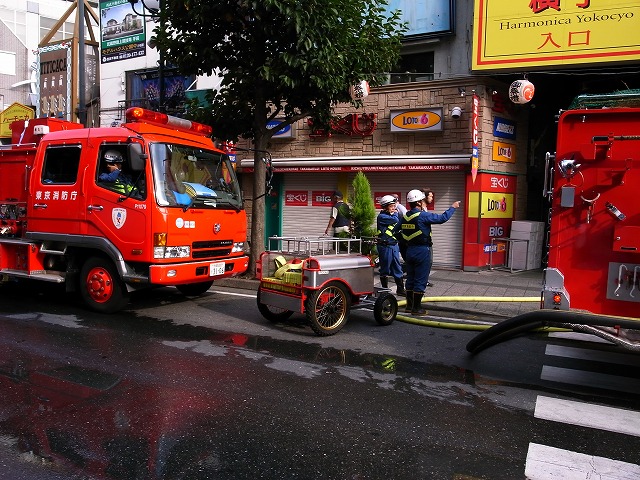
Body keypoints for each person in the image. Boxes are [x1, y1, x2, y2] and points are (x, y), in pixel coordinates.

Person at [400, 189, 460, 315]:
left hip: (409, 251)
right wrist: (452, 207)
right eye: (422, 201)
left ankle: (409, 306)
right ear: (419, 202)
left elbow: (396, 231)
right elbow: (442, 218)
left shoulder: (405, 216)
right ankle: (417, 308)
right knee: (420, 279)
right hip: (422, 251)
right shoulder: (423, 216)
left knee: (410, 278)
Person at [376, 195, 405, 296]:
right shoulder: (382, 216)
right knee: (385, 268)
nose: (394, 208)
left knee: (397, 266)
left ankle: (400, 289)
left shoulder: (392, 214)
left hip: (393, 245)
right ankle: (385, 291)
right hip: (385, 246)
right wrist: (396, 214)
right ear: (385, 207)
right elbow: (397, 220)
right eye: (391, 206)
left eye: (394, 206)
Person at [422, 188, 435, 287]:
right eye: (430, 196)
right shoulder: (421, 211)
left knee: (429, 262)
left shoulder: (425, 209)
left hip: (427, 241)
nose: (432, 198)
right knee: (426, 261)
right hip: (422, 242)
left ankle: (424, 280)